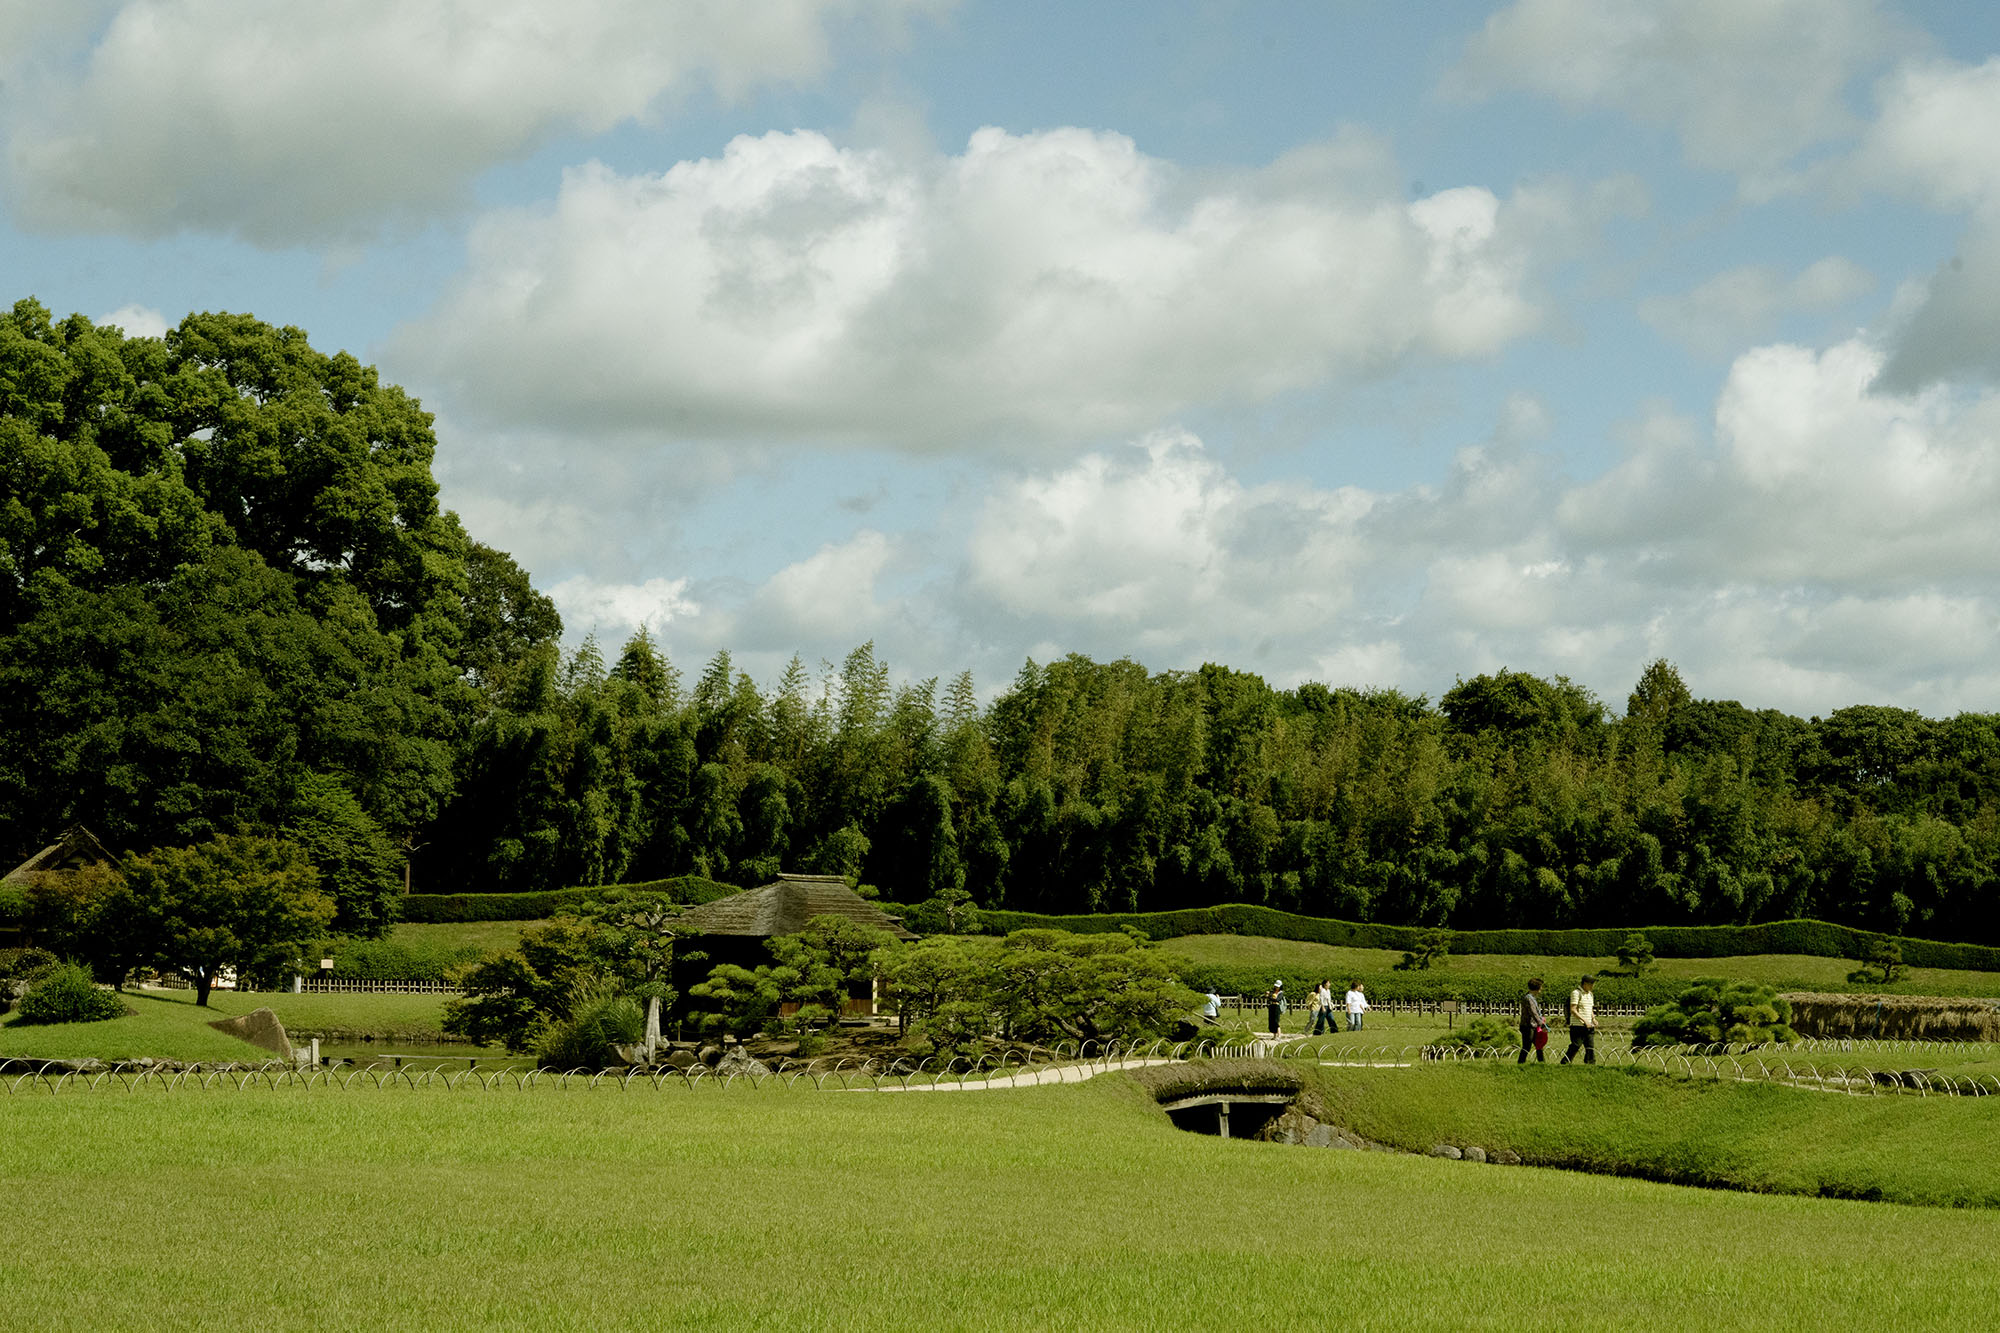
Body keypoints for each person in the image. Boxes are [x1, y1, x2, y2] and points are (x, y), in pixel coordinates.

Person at [1560, 975, 1597, 1065]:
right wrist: (1585, 1020)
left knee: (1590, 1046)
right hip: (1577, 1025)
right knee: (1576, 1045)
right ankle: (1565, 1062)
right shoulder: (1576, 993)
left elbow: (1590, 1009)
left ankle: (1590, 1064)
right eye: (1591, 984)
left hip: (1589, 1025)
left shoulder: (1590, 994)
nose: (1592, 986)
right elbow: (1573, 1010)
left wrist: (1593, 1019)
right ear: (1585, 984)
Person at [1518, 977, 1547, 1063]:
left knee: (1539, 1045)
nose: (1541, 989)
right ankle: (1521, 1063)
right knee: (1527, 1046)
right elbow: (1533, 1012)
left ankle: (1542, 1062)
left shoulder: (1532, 998)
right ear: (1537, 988)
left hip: (1534, 1025)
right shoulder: (1528, 998)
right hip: (1528, 1026)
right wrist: (1541, 1024)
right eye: (1541, 987)